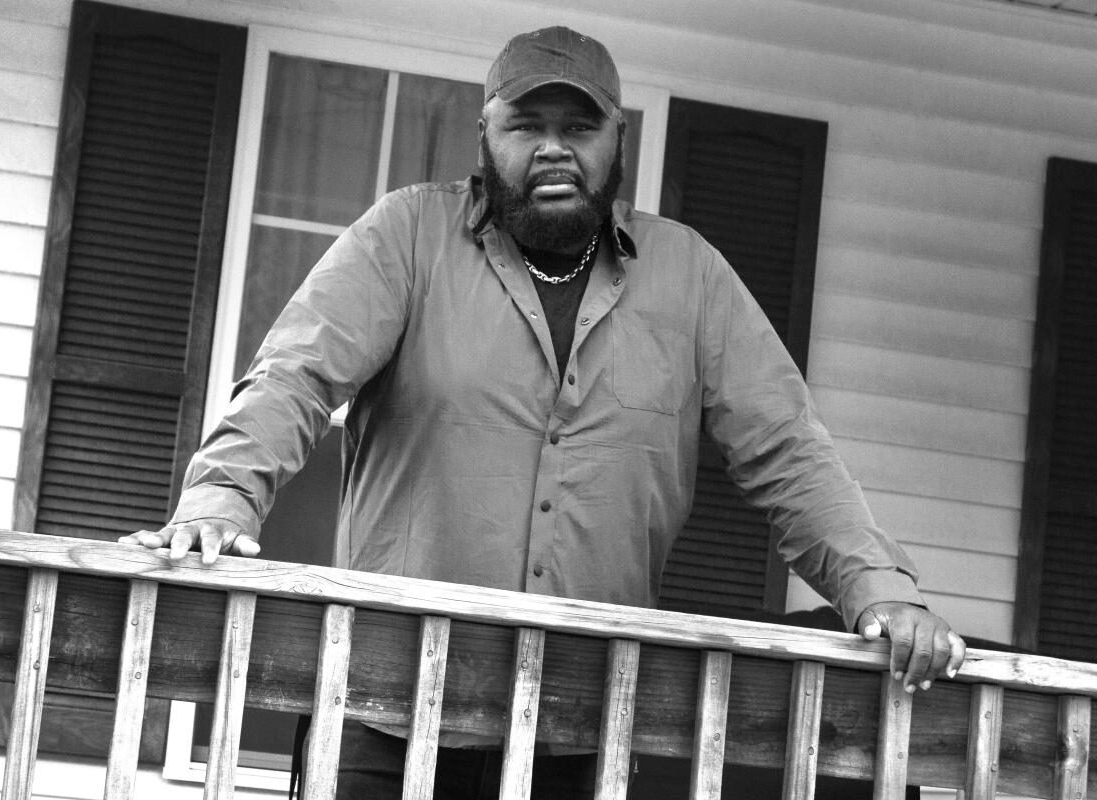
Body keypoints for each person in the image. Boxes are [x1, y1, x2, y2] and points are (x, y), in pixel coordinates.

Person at [120, 25, 966, 797]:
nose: (554, 149)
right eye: (527, 126)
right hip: (387, 712)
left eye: (580, 127)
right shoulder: (405, 238)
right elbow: (293, 377)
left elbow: (787, 449)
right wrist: (220, 498)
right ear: (483, 134)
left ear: (617, 141)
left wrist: (877, 590)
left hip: (581, 733)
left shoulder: (692, 277)